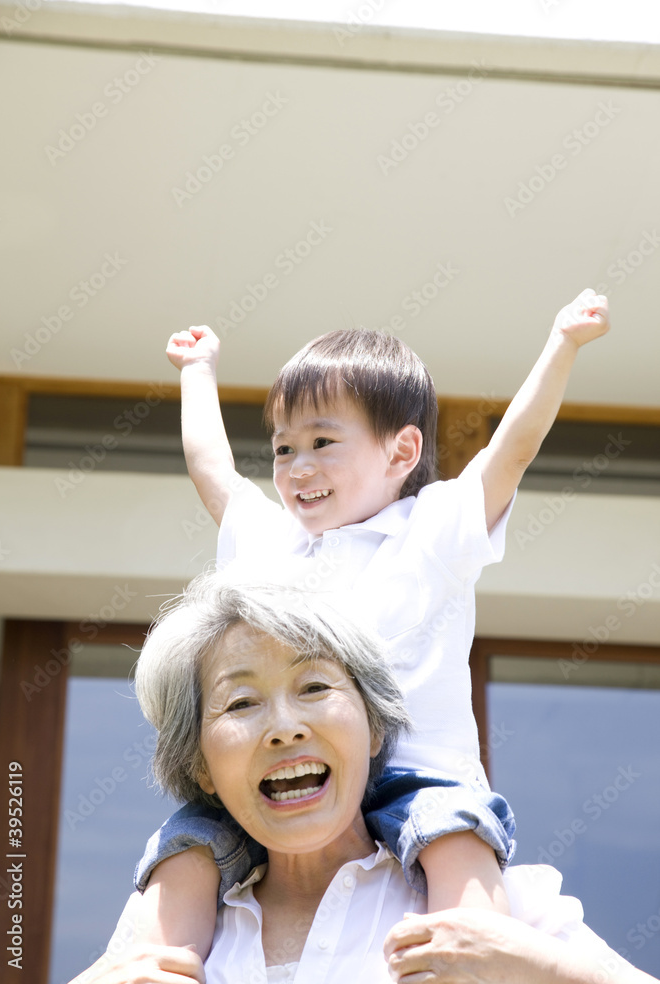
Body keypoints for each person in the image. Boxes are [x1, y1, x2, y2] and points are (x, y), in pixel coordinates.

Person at [133, 289, 610, 958]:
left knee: (454, 835)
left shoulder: (430, 532)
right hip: (292, 770)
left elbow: (514, 449)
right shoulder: (274, 547)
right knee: (188, 841)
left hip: (418, 771)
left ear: (401, 451)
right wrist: (197, 371)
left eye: (322, 443)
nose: (298, 468)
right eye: (282, 450)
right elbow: (210, 467)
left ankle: (472, 958)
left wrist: (562, 343)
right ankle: (154, 963)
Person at [71, 577, 657, 983]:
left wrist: (531, 966)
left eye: (315, 688)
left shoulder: (484, 905)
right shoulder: (165, 930)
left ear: (374, 728)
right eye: (242, 702)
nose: (284, 728)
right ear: (200, 766)